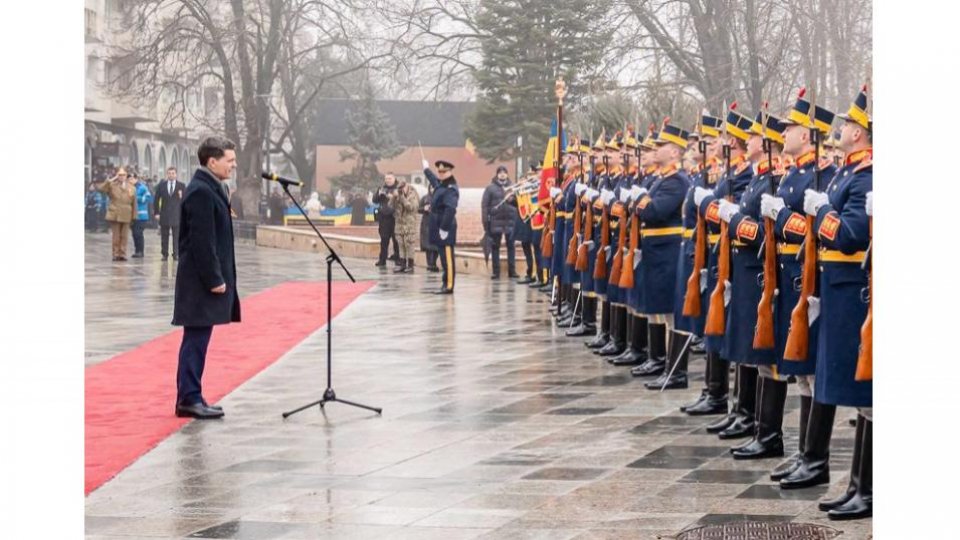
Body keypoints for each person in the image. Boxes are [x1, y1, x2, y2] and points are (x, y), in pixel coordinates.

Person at [171, 136, 240, 420]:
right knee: (195, 340)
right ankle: (188, 398)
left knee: (199, 339)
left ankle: (193, 395)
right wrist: (214, 278)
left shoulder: (214, 187)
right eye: (230, 160)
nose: (233, 166)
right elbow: (201, 241)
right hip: (199, 283)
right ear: (212, 161)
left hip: (204, 282)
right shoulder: (201, 191)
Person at [423, 159, 459, 294]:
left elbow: (450, 209)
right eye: (439, 171)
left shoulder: (451, 189)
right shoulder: (442, 185)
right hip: (438, 225)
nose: (441, 174)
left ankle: (449, 285)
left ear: (450, 172)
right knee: (443, 258)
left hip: (446, 227)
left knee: (448, 259)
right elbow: (434, 181)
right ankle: (445, 283)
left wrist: (444, 228)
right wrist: (426, 170)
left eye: (444, 172)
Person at [481, 165, 519, 279]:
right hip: (495, 222)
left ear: (507, 174)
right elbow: (485, 206)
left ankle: (512, 271)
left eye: (504, 172)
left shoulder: (513, 187)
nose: (502, 174)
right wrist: (485, 223)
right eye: (500, 172)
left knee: (511, 246)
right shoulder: (490, 188)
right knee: (495, 247)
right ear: (497, 174)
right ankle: (495, 272)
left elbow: (518, 203)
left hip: (510, 221)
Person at [97, 167, 137, 261]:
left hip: (127, 213)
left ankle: (122, 254)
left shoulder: (132, 187)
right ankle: (115, 254)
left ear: (126, 176)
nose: (121, 177)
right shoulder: (112, 185)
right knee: (116, 236)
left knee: (124, 236)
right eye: (119, 175)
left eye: (123, 175)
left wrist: (134, 215)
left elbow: (134, 203)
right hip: (115, 213)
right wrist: (110, 180)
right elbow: (101, 189)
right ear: (117, 176)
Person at [154, 166, 186, 261]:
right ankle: (164, 254)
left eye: (173, 173)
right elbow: (156, 199)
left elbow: (185, 200)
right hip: (164, 214)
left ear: (176, 174)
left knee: (177, 236)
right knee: (164, 236)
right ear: (167, 174)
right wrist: (156, 212)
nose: (171, 175)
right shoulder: (162, 185)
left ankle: (176, 253)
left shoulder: (181, 186)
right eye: (169, 173)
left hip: (177, 214)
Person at [392, 180, 420, 273]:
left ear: (406, 186)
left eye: (402, 188)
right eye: (399, 189)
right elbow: (390, 206)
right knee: (401, 244)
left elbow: (411, 208)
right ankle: (402, 264)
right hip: (399, 224)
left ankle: (410, 265)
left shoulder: (413, 195)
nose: (401, 190)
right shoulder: (398, 195)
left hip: (409, 225)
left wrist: (403, 198)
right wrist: (394, 197)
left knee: (409, 245)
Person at [373, 174, 401, 266]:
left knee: (396, 240)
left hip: (395, 217)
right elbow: (375, 200)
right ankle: (382, 260)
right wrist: (378, 194)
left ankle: (398, 259)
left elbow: (402, 201)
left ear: (394, 179)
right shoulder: (381, 188)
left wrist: (392, 197)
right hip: (384, 218)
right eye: (386, 179)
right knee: (384, 240)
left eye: (390, 178)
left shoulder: (399, 188)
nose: (388, 180)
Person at [131, 173, 153, 258]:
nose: (131, 181)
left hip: (142, 215)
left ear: (136, 179)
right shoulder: (130, 188)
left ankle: (141, 251)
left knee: (138, 233)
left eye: (133, 179)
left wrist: (137, 198)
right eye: (130, 179)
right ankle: (137, 250)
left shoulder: (142, 187)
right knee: (134, 234)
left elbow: (148, 198)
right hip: (133, 216)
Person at [418, 185, 440, 272]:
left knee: (436, 246)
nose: (433, 189)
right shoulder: (425, 198)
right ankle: (430, 264)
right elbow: (418, 209)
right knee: (428, 246)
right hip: (427, 224)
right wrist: (424, 208)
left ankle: (433, 263)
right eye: (431, 188)